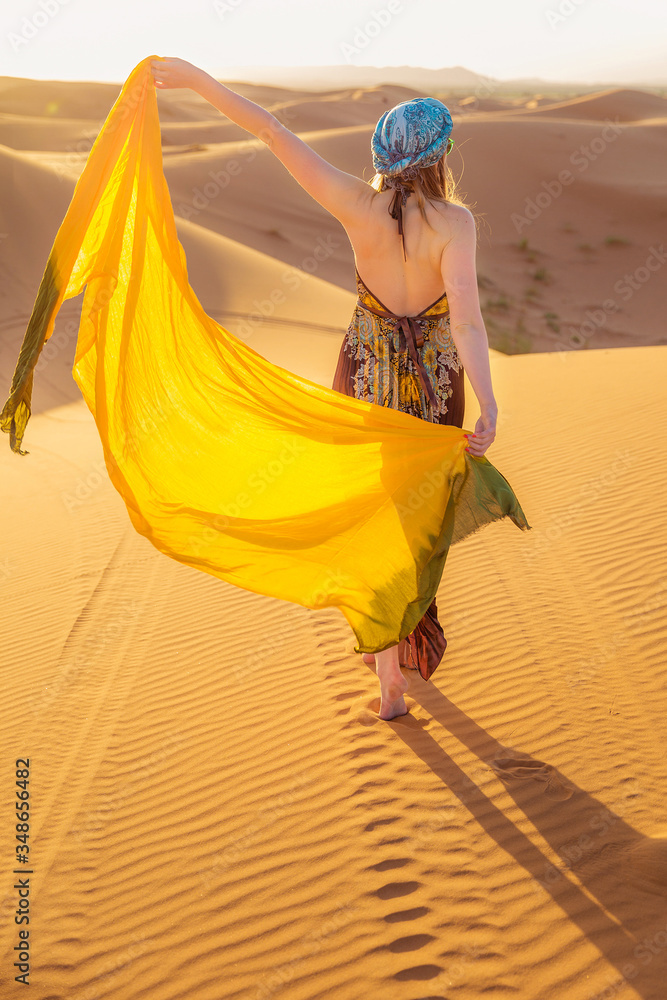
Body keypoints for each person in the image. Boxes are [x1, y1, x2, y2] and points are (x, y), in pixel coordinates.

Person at [150, 58, 498, 721]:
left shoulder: (354, 202)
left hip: (364, 373)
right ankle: (400, 633)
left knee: (374, 513)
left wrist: (195, 79)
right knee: (417, 522)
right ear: (436, 157)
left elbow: (272, 131)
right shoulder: (456, 224)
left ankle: (386, 673)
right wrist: (488, 402)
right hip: (432, 387)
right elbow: (467, 320)